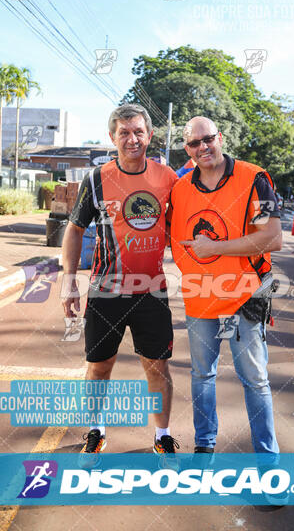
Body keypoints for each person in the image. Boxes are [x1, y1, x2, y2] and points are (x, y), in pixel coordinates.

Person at [61, 104, 179, 461]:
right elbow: (74, 228)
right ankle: (95, 431)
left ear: (150, 135)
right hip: (105, 290)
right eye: (124, 133)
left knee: (157, 368)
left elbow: (183, 228)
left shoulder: (168, 178)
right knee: (99, 367)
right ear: (112, 137)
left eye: (138, 132)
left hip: (151, 291)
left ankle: (163, 435)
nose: (132, 139)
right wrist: (69, 280)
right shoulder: (96, 178)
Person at [170, 116, 282, 463]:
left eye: (208, 139)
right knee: (202, 375)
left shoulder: (254, 178)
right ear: (187, 150)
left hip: (244, 296)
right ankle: (204, 446)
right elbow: (175, 239)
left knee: (255, 379)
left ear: (220, 138)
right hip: (200, 296)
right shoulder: (181, 188)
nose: (202, 147)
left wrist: (215, 249)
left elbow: (272, 237)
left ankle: (267, 460)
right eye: (193, 143)